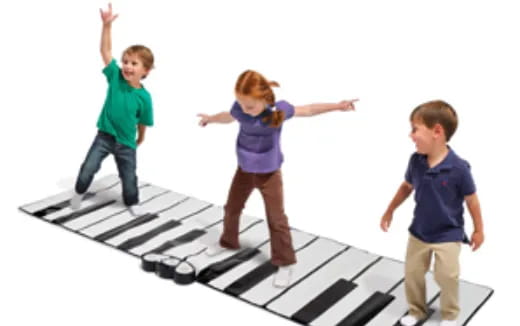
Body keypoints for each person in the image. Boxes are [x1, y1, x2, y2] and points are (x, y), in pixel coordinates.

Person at [198, 69, 358, 287]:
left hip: (269, 174)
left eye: (250, 106)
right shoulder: (240, 109)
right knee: (231, 208)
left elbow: (309, 109)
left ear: (264, 99)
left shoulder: (278, 111)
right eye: (242, 104)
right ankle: (227, 242)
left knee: (276, 219)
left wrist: (337, 106)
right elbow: (228, 116)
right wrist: (210, 119)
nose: (245, 110)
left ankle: (284, 261)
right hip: (244, 170)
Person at [380, 100, 485, 326]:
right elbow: (406, 187)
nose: (411, 135)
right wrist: (390, 210)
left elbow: (472, 201)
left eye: (415, 129)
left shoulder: (458, 168)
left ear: (437, 131)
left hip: (448, 233)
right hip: (419, 231)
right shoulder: (416, 161)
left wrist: (479, 229)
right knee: (413, 274)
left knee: (447, 276)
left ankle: (450, 314)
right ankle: (417, 311)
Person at [70, 3, 154, 217]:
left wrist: (141, 138)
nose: (127, 66)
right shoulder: (115, 78)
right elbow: (105, 51)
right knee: (88, 167)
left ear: (145, 71)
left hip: (126, 142)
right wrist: (106, 26)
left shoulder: (144, 97)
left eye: (134, 64)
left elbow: (143, 120)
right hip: (104, 137)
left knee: (128, 176)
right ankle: (79, 191)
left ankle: (132, 201)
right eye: (126, 61)